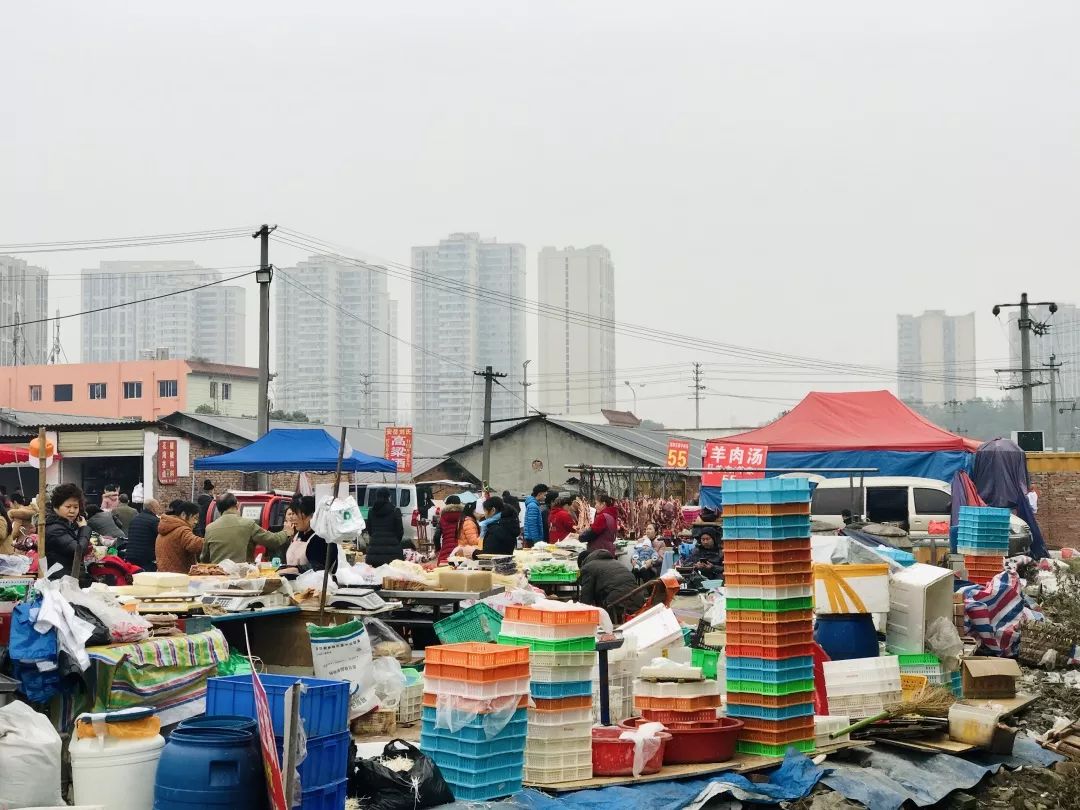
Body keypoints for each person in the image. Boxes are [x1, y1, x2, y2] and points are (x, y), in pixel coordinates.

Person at [202, 493, 294, 564]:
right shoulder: (248, 524)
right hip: (241, 576)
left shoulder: (210, 528)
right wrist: (286, 533)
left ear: (219, 509)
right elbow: (272, 540)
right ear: (237, 505)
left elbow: (205, 558)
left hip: (217, 576)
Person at [44, 483, 92, 580]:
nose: (72, 511)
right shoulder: (55, 529)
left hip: (66, 578)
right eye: (68, 506)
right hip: (59, 580)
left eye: (75, 507)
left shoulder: (67, 524)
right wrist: (84, 529)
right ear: (56, 507)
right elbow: (78, 551)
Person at [578, 548, 645, 616]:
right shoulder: (616, 562)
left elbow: (586, 597)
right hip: (639, 601)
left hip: (618, 606)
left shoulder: (588, 567)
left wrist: (581, 614)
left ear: (583, 562)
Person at [155, 501, 204, 574]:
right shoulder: (182, 530)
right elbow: (195, 544)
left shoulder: (165, 528)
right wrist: (211, 539)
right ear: (183, 515)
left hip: (164, 574)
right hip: (179, 577)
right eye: (194, 518)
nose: (196, 522)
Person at [291, 496, 335, 572]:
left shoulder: (321, 538)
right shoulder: (298, 535)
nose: (293, 518)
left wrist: (296, 570)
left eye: (296, 514)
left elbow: (319, 567)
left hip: (314, 583)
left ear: (311, 516)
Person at [364, 488, 406, 567]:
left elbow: (369, 530)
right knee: (392, 578)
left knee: (376, 577)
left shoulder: (371, 511)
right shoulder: (395, 511)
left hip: (374, 552)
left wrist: (376, 538)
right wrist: (395, 541)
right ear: (389, 497)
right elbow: (400, 531)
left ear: (376, 496)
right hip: (393, 553)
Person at [435, 495, 481, 565]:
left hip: (445, 550)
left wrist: (438, 549)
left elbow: (436, 536)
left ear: (447, 504)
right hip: (461, 551)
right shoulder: (464, 517)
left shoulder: (443, 518)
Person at [125, 498, 163, 571]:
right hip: (146, 557)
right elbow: (160, 538)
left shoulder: (134, 519)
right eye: (158, 507)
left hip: (131, 555)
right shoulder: (154, 521)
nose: (159, 509)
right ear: (153, 508)